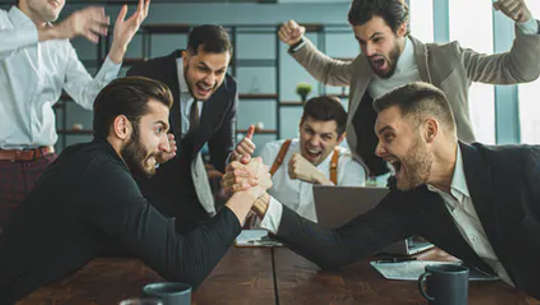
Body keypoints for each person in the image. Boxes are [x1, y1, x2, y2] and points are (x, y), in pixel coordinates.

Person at [227, 82, 540, 299]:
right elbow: (337, 247)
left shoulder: (523, 166)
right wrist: (261, 200)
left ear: (429, 131)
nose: (378, 151)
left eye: (388, 136)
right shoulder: (413, 199)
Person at [0, 76, 272, 305]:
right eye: (158, 130)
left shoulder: (85, 159)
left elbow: (149, 226)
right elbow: (188, 265)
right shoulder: (100, 174)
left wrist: (153, 159)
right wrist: (247, 194)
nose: (166, 145)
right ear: (122, 127)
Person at [277, 0, 540, 177]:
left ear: (402, 28)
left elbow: (515, 70)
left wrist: (525, 21)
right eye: (361, 41)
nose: (369, 51)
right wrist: (299, 44)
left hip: (450, 176)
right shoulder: (364, 66)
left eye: (377, 39)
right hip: (394, 180)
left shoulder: (449, 60)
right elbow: (330, 71)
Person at [0, 0, 150, 232]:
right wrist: (54, 32)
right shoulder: (2, 23)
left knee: (47, 249)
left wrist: (118, 47)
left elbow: (91, 97)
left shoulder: (60, 45)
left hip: (45, 166)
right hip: (2, 168)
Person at [127, 24, 255, 233]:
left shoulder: (228, 90)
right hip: (144, 186)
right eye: (203, 68)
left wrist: (234, 158)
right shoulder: (145, 76)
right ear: (186, 58)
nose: (210, 81)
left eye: (220, 71)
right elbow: (124, 143)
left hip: (192, 189)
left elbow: (221, 153)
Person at [234, 96, 366, 223]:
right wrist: (240, 168)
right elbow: (245, 201)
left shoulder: (350, 167)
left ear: (340, 139)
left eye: (325, 137)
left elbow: (349, 219)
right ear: (300, 125)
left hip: (318, 245)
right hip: (266, 242)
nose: (314, 142)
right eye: (309, 131)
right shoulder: (272, 152)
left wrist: (318, 178)